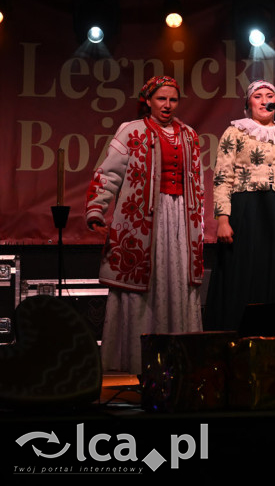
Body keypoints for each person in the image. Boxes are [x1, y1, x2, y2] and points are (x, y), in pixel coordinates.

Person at [86, 76, 204, 373]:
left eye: (173, 100)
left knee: (177, 282)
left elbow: (197, 182)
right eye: (161, 99)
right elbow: (110, 173)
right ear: (148, 100)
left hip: (179, 218)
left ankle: (179, 363)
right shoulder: (132, 131)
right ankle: (134, 361)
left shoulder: (189, 135)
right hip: (143, 218)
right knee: (142, 283)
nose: (167, 105)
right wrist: (97, 210)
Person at [206, 80, 275, 331]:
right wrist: (223, 219)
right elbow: (223, 177)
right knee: (245, 273)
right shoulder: (235, 132)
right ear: (248, 103)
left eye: (269, 96)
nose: (264, 100)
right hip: (246, 209)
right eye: (258, 96)